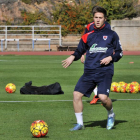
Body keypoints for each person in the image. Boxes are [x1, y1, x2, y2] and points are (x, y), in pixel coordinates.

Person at [62, 6, 123, 131]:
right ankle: (80, 124)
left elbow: (120, 52)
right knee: (76, 95)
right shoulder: (87, 35)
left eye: (100, 18)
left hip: (105, 71)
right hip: (89, 71)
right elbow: (80, 50)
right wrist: (72, 57)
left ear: (105, 19)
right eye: (96, 17)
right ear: (93, 18)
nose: (98, 20)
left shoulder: (112, 34)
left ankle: (111, 113)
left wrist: (110, 58)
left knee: (103, 98)